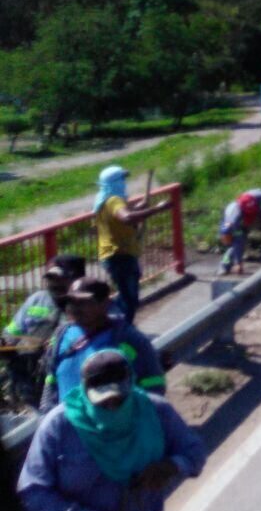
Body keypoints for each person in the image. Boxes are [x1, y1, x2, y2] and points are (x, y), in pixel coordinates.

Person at [19, 349, 205, 511]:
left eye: (118, 400)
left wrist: (171, 466)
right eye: (102, 402)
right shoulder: (58, 426)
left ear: (131, 384)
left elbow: (194, 452)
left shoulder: (156, 412)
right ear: (85, 391)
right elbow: (32, 494)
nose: (111, 408)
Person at [41, 278, 166, 412]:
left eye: (82, 302)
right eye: (71, 302)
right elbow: (51, 379)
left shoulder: (129, 339)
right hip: (68, 422)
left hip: (112, 422)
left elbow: (154, 384)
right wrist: (46, 412)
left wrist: (132, 417)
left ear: (105, 304)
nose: (75, 308)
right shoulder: (60, 336)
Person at [3, 255, 84, 406]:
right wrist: (5, 343)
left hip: (59, 376)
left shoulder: (84, 307)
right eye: (51, 278)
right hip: (25, 371)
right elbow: (12, 333)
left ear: (76, 279)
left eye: (60, 279)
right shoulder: (37, 299)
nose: (54, 284)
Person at [93, 166, 160, 324]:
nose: (124, 183)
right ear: (115, 182)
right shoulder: (114, 200)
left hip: (113, 255)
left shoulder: (102, 199)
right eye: (122, 179)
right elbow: (127, 218)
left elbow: (120, 215)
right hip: (120, 256)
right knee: (129, 300)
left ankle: (115, 325)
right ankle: (118, 328)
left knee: (126, 297)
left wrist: (140, 207)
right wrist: (157, 209)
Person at [218, 189, 261, 276]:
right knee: (237, 243)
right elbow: (237, 241)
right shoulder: (234, 217)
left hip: (250, 216)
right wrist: (238, 262)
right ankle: (225, 265)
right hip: (231, 227)